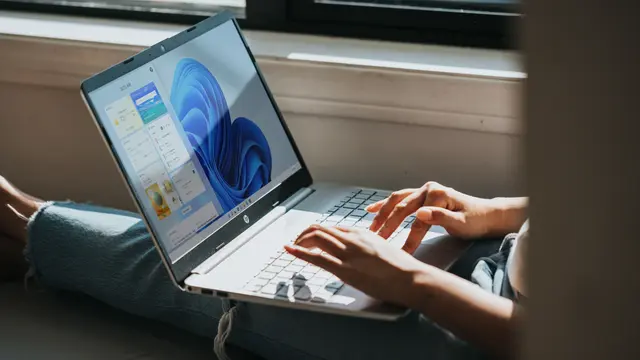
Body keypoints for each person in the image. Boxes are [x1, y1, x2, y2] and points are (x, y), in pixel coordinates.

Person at [0, 176, 527, 360]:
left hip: (481, 334)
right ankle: (28, 225)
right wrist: (497, 213)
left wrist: (414, 282)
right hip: (496, 259)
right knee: (233, 243)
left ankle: (21, 221)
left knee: (201, 271)